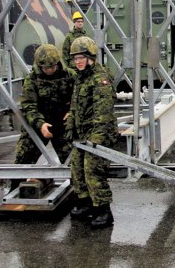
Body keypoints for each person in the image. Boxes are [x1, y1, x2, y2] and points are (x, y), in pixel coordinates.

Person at [66, 36, 118, 229]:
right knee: (77, 167)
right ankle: (86, 203)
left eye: (81, 57)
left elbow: (103, 112)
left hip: (99, 135)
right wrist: (71, 128)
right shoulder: (81, 78)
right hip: (83, 134)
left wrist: (96, 139)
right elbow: (75, 106)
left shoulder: (99, 78)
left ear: (90, 57)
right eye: (75, 58)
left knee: (92, 168)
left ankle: (103, 210)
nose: (78, 61)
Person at [11, 44, 75, 190]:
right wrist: (40, 124)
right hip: (39, 124)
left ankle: (78, 195)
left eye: (52, 67)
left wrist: (72, 112)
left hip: (63, 124)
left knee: (74, 160)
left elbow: (80, 97)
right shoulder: (32, 79)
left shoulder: (70, 75)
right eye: (46, 68)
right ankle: (14, 188)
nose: (50, 70)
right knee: (23, 157)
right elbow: (28, 105)